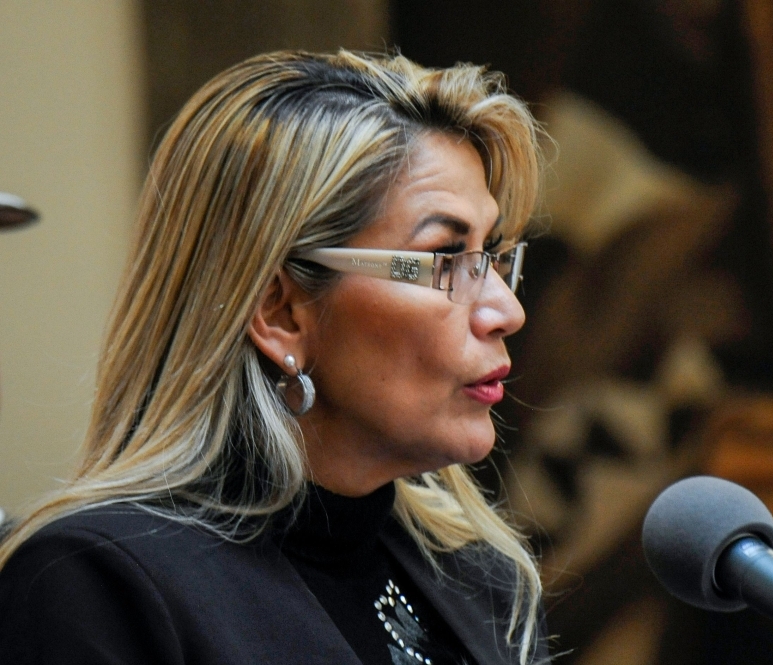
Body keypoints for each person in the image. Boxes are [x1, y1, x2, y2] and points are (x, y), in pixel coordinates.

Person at [0, 50, 547, 665]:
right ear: (281, 314)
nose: (506, 309)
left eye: (495, 255)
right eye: (446, 259)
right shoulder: (101, 588)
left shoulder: (482, 580)